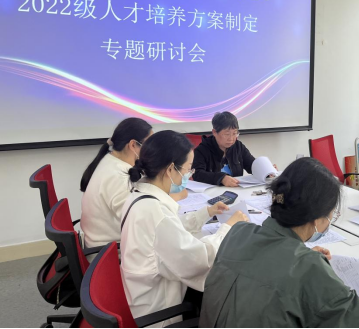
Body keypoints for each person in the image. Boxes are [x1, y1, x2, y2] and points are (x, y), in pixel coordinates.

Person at [200, 158, 359, 328]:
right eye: (332, 214)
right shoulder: (309, 269)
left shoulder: (238, 232)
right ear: (315, 219)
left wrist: (305, 259)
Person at [121, 130, 249, 328]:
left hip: (143, 295)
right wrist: (228, 228)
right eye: (189, 169)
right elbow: (199, 261)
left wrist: (206, 213)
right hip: (158, 313)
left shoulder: (139, 195)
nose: (190, 174)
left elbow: (172, 229)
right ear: (171, 169)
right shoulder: (156, 213)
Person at [80, 118, 154, 249]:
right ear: (133, 145)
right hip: (109, 252)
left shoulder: (110, 160)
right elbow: (137, 222)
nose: (152, 149)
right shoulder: (118, 177)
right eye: (149, 144)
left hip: (102, 245)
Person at [192, 112, 255, 187]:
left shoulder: (238, 146)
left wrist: (264, 171)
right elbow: (197, 174)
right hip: (213, 191)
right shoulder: (202, 150)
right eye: (227, 134)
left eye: (234, 133)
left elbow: (252, 165)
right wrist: (221, 178)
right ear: (214, 132)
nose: (231, 138)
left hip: (236, 190)